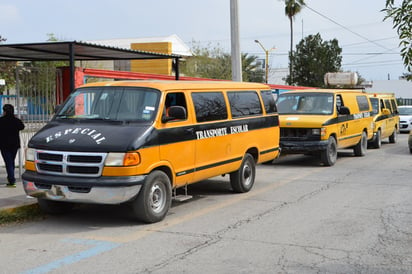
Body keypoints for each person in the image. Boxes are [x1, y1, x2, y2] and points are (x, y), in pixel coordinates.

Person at [0, 104, 25, 187]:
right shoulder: (16, 120)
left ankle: (12, 180)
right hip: (14, 145)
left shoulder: (1, 120)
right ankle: (11, 179)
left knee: (8, 163)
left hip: (4, 145)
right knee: (11, 161)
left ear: (5, 111)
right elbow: (22, 127)